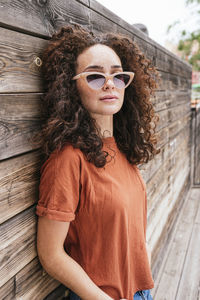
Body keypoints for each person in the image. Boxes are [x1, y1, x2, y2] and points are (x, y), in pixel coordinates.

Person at [36, 24, 160, 300]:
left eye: (118, 76)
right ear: (71, 87)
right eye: (94, 76)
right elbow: (51, 254)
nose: (108, 84)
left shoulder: (125, 148)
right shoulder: (68, 159)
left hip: (142, 291)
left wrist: (144, 264)